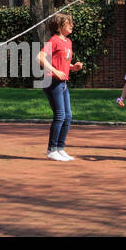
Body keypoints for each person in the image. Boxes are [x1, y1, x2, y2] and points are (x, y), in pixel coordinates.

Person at [38, 14, 84, 161]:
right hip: (52, 82)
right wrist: (54, 71)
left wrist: (72, 67)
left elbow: (61, 62)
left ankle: (60, 148)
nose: (72, 25)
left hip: (63, 83)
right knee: (60, 115)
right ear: (59, 26)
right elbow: (39, 57)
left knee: (68, 116)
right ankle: (51, 150)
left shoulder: (68, 42)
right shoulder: (54, 40)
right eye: (68, 23)